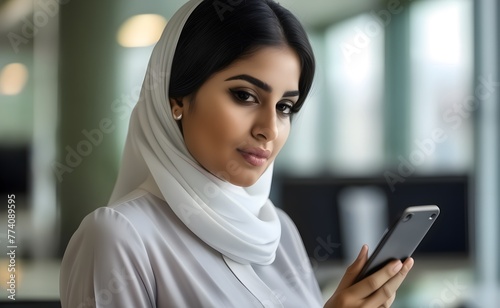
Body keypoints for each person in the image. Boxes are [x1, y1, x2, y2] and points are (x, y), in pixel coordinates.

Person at [60, 0, 414, 307]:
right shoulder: (119, 236)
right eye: (245, 95)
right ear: (177, 99)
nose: (269, 129)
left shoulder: (280, 233)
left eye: (285, 106)